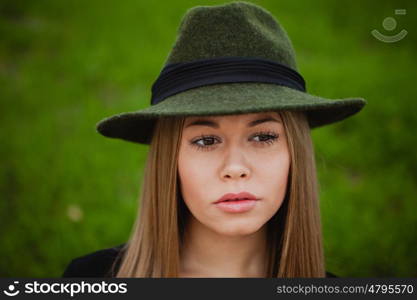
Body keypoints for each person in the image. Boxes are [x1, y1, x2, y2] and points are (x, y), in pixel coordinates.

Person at [62, 1, 366, 278]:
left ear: (295, 151)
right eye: (206, 141)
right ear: (170, 159)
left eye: (262, 136)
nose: (235, 167)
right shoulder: (90, 278)